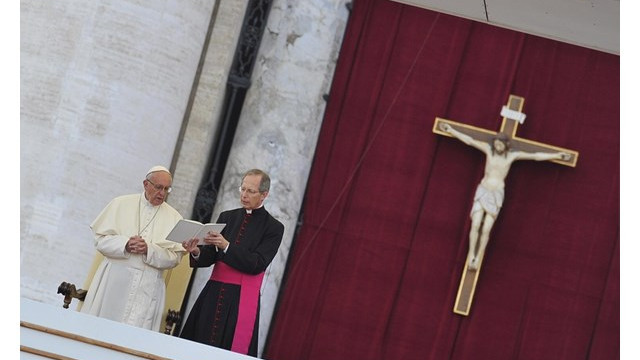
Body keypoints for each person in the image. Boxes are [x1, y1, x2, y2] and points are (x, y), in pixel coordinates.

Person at [179, 169, 284, 356]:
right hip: (213, 292)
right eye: (242, 189)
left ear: (264, 194)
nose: (244, 195)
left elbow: (257, 263)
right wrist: (195, 250)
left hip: (240, 298)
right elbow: (210, 256)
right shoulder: (227, 217)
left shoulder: (274, 228)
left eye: (250, 191)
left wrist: (226, 246)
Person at [440, 123, 570, 270]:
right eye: (496, 144)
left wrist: (557, 155)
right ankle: (471, 255)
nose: (498, 147)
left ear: (506, 145)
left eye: (500, 145)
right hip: (483, 190)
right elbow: (469, 140)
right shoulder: (489, 151)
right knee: (475, 224)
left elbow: (535, 156)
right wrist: (451, 130)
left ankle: (478, 258)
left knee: (487, 228)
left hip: (496, 194)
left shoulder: (512, 157)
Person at [79, 165, 187, 331]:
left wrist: (149, 250)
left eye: (167, 189)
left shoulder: (174, 217)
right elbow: (100, 241)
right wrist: (126, 244)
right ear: (146, 184)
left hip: (148, 287)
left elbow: (175, 258)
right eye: (158, 187)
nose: (162, 193)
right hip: (114, 281)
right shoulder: (121, 203)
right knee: (101, 331)